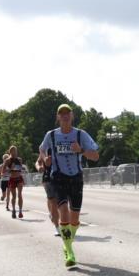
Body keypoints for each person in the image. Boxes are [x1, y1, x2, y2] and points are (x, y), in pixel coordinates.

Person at [39, 104, 99, 267]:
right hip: (58, 178)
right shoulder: (50, 135)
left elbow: (95, 156)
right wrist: (45, 160)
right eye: (61, 113)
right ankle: (69, 251)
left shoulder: (81, 134)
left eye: (67, 113)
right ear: (58, 117)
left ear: (72, 115)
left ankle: (68, 242)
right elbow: (42, 150)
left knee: (75, 219)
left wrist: (81, 150)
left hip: (76, 179)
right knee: (63, 212)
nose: (65, 116)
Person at [37, 152, 61, 237]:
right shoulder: (45, 145)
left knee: (61, 202)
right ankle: (58, 228)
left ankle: (53, 216)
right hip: (48, 178)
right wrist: (39, 167)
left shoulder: (63, 142)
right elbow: (38, 161)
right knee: (54, 202)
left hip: (63, 177)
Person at [3, 146, 26, 219]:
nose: (14, 153)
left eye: (15, 151)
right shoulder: (7, 161)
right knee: (14, 196)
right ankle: (13, 210)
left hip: (19, 178)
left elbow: (20, 169)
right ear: (10, 152)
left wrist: (22, 171)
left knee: (20, 194)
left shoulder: (19, 159)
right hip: (12, 179)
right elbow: (3, 172)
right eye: (13, 151)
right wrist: (10, 169)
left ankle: (20, 211)